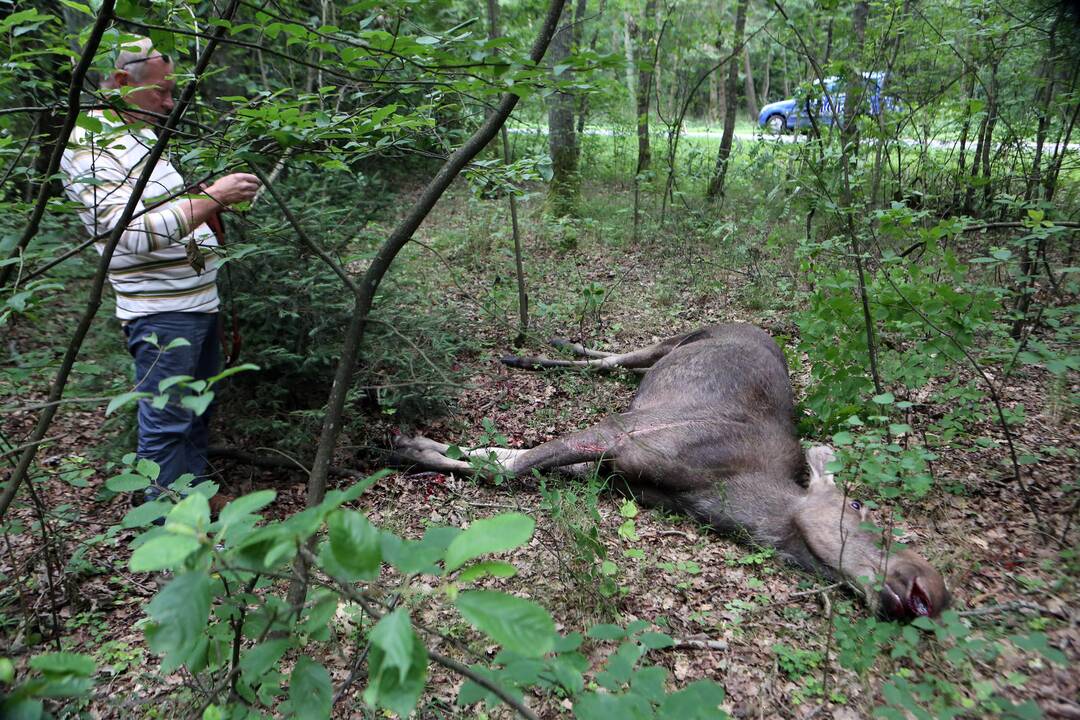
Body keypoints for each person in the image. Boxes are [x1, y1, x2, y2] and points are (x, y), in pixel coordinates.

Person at [60, 36, 260, 505]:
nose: (170, 103)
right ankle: (159, 527)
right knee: (167, 423)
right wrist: (213, 198)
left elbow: (165, 213)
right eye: (161, 93)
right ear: (123, 82)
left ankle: (189, 509)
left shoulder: (139, 133)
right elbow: (122, 236)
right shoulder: (90, 146)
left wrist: (206, 203)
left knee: (195, 413)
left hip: (195, 304)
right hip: (161, 314)